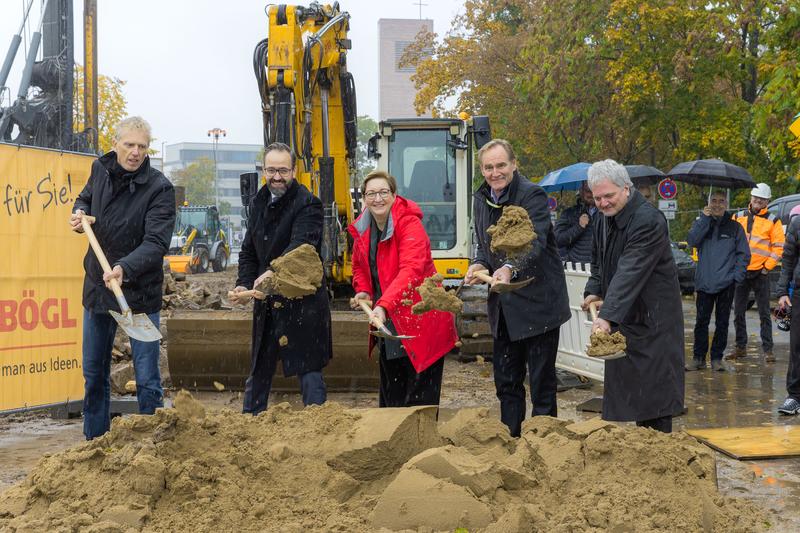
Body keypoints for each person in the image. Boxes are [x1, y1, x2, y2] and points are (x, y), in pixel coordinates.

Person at [69, 116, 176, 440]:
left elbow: (156, 243)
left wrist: (124, 269)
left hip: (138, 293)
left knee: (146, 378)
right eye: (129, 145)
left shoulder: (159, 187)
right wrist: (80, 213)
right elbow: (85, 198)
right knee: (94, 373)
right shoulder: (99, 170)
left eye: (142, 146)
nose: (135, 152)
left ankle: (152, 448)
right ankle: (95, 442)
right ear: (115, 143)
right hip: (98, 289)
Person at [465, 139, 570, 438]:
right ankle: (510, 442)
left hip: (539, 304)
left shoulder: (532, 195)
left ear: (514, 164)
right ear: (482, 169)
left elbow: (534, 243)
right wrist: (478, 263)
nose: (495, 173)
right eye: (488, 167)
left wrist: (510, 268)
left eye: (500, 165)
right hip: (504, 307)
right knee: (507, 382)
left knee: (541, 384)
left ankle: (544, 444)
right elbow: (483, 242)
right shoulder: (481, 196)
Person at [581, 159, 684, 433]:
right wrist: (594, 290)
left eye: (609, 196)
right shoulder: (604, 218)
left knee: (656, 400)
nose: (603, 203)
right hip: (627, 319)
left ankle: (662, 458)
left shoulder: (648, 220)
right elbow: (598, 261)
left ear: (626, 188)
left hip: (654, 322)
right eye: (598, 198)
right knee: (635, 400)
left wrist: (606, 317)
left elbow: (630, 270)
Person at [230, 142, 331, 415]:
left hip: (303, 303)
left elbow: (301, 249)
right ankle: (248, 427)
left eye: (283, 170)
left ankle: (318, 428)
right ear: (263, 170)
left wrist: (272, 275)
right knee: (259, 371)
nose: (277, 177)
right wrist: (243, 282)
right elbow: (249, 251)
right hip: (267, 303)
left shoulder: (308, 204)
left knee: (309, 371)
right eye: (271, 170)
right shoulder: (257, 204)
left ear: (294, 170)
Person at [348, 170, 458, 407]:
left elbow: (411, 271)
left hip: (420, 321)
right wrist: (365, 290)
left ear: (394, 195)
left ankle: (422, 444)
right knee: (392, 399)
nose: (378, 199)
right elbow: (359, 266)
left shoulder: (410, 225)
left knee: (419, 403)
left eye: (383, 192)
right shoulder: (364, 229)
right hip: (389, 324)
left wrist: (384, 306)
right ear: (364, 199)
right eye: (371, 193)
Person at [685, 190, 750, 371]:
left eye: (721, 201)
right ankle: (698, 359)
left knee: (722, 322)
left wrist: (736, 278)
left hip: (726, 283)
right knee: (701, 322)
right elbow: (692, 240)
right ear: (708, 203)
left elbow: (743, 255)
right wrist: (704, 220)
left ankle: (716, 359)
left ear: (727, 204)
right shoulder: (701, 223)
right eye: (714, 200)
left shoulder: (735, 227)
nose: (717, 204)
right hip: (705, 282)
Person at [730, 183, 784, 363]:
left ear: (767, 201)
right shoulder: (737, 217)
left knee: (764, 313)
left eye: (762, 199)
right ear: (751, 198)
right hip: (741, 271)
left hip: (761, 272)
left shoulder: (773, 220)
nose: (758, 201)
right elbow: (730, 242)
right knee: (738, 312)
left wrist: (766, 267)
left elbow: (778, 247)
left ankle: (768, 350)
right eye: (756, 198)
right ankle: (740, 347)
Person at [554, 181, 597, 265]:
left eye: (595, 190)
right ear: (581, 191)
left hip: (602, 269)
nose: (592, 194)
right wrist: (579, 227)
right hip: (576, 269)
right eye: (588, 191)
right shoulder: (569, 213)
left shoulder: (608, 213)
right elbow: (557, 240)